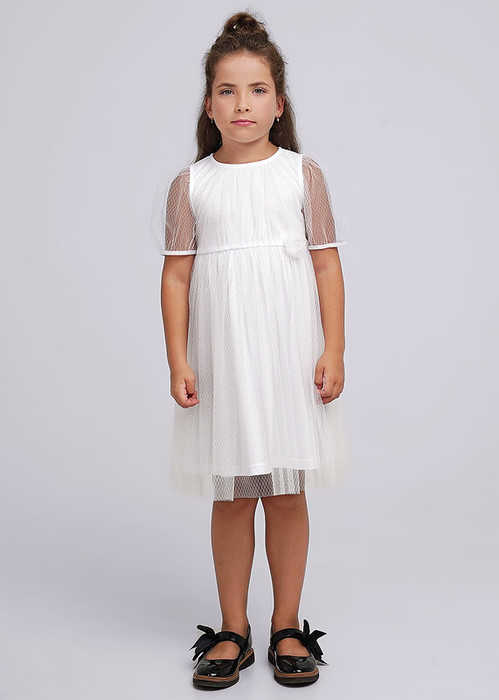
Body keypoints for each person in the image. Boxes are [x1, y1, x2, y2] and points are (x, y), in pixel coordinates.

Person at [150, 10, 349, 690]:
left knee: (286, 493)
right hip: (225, 363)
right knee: (233, 495)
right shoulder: (192, 185)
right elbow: (177, 277)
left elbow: (326, 266)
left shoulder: (301, 175)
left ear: (279, 103)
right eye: (228, 91)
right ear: (209, 105)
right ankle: (232, 628)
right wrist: (178, 359)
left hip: (286, 359)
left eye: (257, 90)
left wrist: (333, 350)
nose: (243, 104)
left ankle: (286, 624)